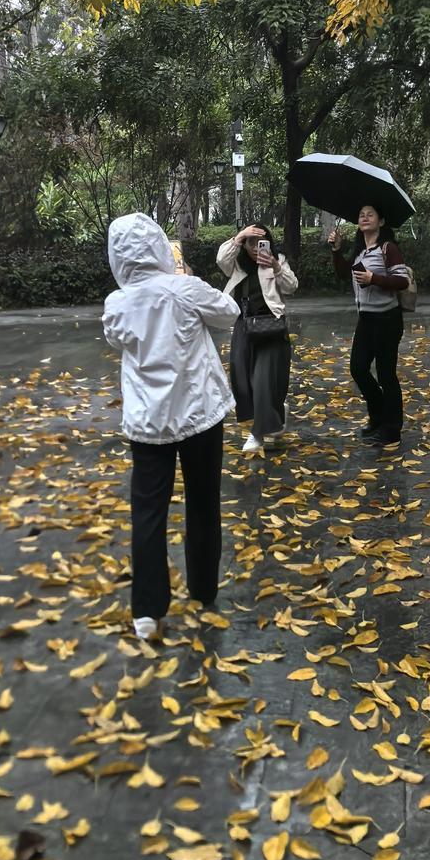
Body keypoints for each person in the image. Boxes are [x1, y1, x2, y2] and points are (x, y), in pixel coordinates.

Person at [102, 212, 240, 642]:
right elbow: (230, 312)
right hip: (199, 413)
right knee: (203, 502)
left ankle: (146, 611)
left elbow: (115, 339)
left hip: (147, 423)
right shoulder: (185, 289)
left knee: (148, 511)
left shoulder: (117, 303)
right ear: (161, 246)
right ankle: (202, 589)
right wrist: (181, 275)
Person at [328, 205, 411, 449]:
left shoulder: (388, 249)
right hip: (366, 319)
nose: (364, 216)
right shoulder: (362, 251)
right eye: (361, 213)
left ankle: (392, 430)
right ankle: (377, 418)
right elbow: (344, 273)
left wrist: (374, 279)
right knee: (358, 369)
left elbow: (402, 281)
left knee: (386, 375)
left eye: (370, 214)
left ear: (381, 221)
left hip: (387, 319)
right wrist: (336, 250)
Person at [216, 224, 299, 453]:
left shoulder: (277, 259)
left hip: (271, 326)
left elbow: (292, 286)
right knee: (242, 381)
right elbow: (221, 260)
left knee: (262, 381)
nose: (255, 247)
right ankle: (276, 415)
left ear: (268, 243)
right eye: (250, 242)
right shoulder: (237, 263)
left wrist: (275, 266)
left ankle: (257, 434)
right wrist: (240, 236)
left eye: (259, 242)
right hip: (244, 325)